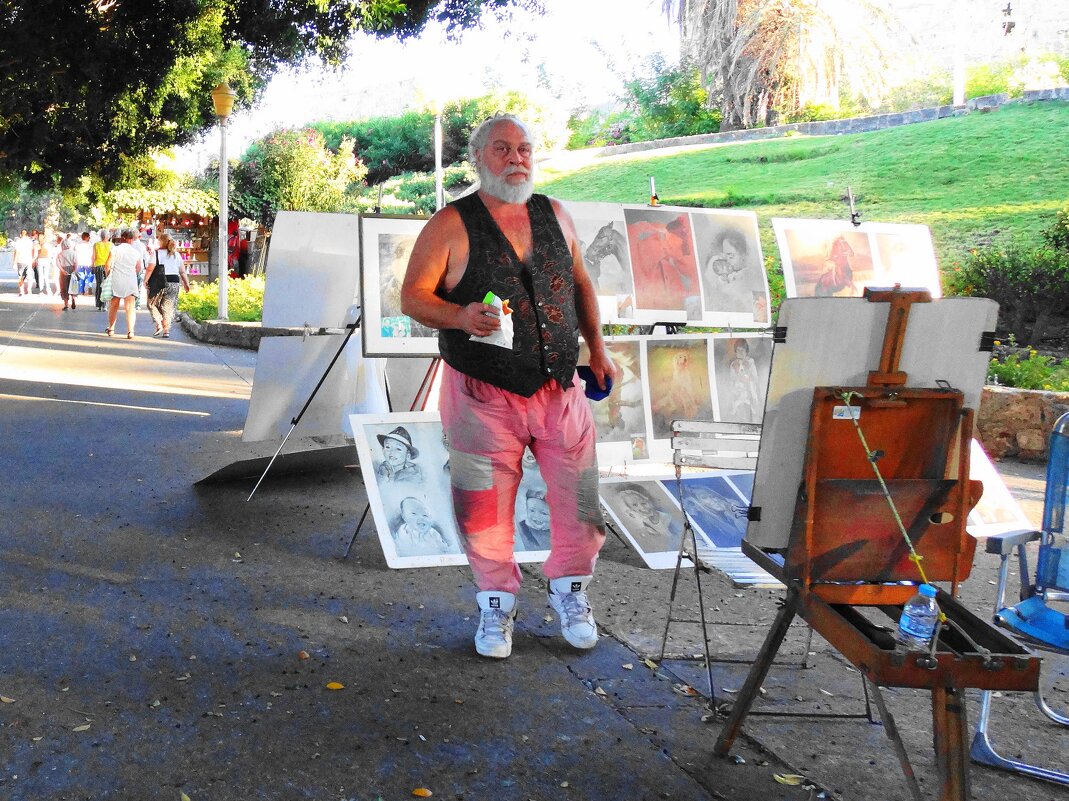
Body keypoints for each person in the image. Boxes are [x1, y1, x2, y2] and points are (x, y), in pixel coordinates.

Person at [401, 113, 616, 659]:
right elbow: (413, 297)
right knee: (483, 506)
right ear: (478, 158)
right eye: (501, 148)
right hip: (481, 392)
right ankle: (496, 601)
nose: (516, 158)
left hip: (560, 388)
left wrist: (598, 348)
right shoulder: (450, 223)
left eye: (523, 148)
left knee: (580, 499)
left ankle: (572, 591)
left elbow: (581, 285)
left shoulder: (556, 214)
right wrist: (459, 316)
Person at [144, 230, 189, 337]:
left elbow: (150, 269)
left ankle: (159, 323)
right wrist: (186, 283)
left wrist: (145, 280)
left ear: (161, 242)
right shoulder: (176, 255)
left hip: (159, 281)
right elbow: (182, 271)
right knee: (168, 307)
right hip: (174, 282)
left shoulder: (156, 253)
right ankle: (166, 331)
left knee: (151, 303)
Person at [104, 229, 143, 339]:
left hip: (117, 279)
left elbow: (107, 265)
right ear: (131, 240)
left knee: (114, 305)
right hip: (130, 280)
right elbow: (138, 268)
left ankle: (111, 329)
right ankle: (130, 331)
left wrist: (108, 275)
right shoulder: (136, 253)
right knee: (130, 307)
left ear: (122, 238)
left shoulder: (115, 249)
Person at [392, 496, 459, 557]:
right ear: (404, 517)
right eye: (414, 514)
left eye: (425, 515)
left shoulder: (433, 533)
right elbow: (402, 548)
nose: (421, 518)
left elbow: (444, 549)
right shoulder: (404, 530)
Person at [726, 338, 762, 423]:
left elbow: (755, 378)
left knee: (751, 412)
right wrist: (735, 387)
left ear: (746, 352)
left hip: (749, 391)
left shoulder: (750, 362)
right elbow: (732, 380)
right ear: (735, 351)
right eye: (738, 351)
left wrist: (747, 378)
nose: (740, 353)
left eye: (742, 351)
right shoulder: (733, 364)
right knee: (738, 412)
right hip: (738, 392)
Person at [57, 235, 79, 310]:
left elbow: (57, 263)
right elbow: (76, 263)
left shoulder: (60, 254)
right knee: (73, 285)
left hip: (64, 270)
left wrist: (62, 270)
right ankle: (73, 298)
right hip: (72, 269)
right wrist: (74, 270)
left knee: (64, 287)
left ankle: (66, 305)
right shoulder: (73, 253)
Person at [92, 230, 112, 310]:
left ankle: (99, 305)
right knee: (107, 285)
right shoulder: (111, 245)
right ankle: (105, 305)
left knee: (99, 284)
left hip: (98, 265)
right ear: (108, 236)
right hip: (108, 266)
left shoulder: (96, 244)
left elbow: (93, 257)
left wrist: (92, 265)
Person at [12, 230, 34, 296]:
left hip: (20, 261)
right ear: (27, 235)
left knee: (21, 277)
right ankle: (29, 290)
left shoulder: (18, 242)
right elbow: (32, 251)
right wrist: (32, 260)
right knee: (29, 277)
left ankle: (21, 291)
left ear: (20, 235)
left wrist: (14, 263)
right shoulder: (30, 242)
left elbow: (16, 253)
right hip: (28, 261)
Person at [75, 231, 94, 295]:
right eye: (89, 237)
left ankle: (81, 290)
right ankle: (90, 287)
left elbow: (75, 254)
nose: (89, 238)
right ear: (86, 237)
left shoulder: (77, 245)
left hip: (80, 262)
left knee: (81, 276)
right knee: (90, 275)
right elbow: (92, 255)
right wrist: (93, 263)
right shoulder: (90, 245)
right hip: (88, 262)